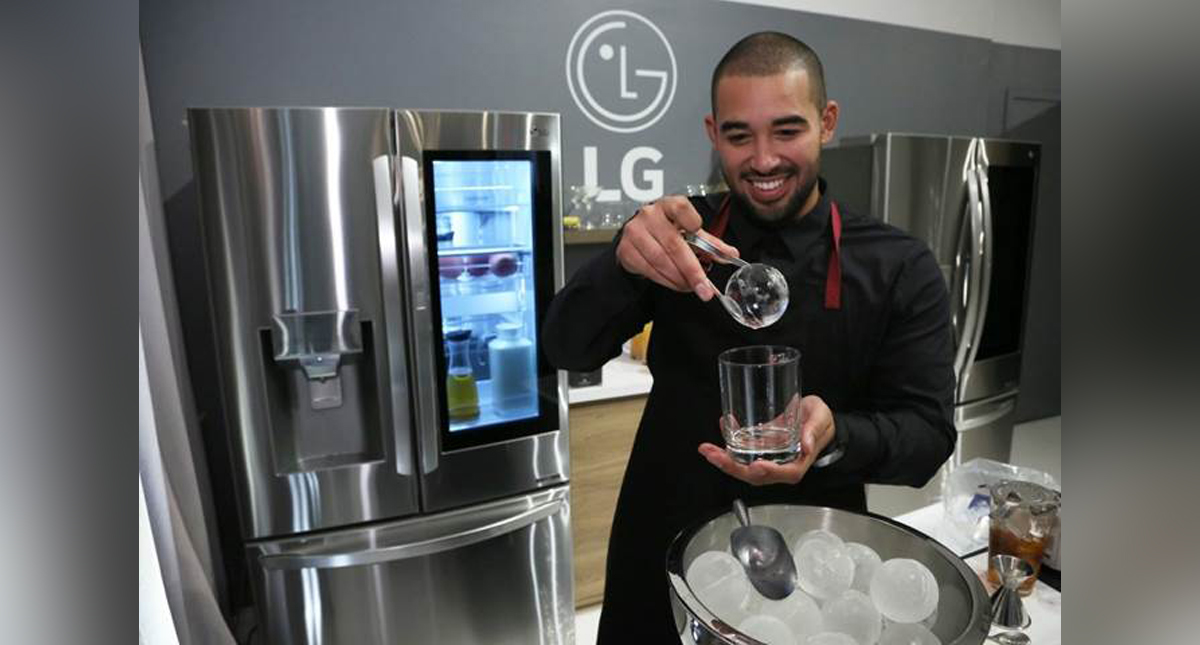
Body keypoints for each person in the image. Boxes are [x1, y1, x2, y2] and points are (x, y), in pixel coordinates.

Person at [542, 32, 956, 642]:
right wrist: (621, 264)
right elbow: (564, 348)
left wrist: (836, 432)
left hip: (820, 563)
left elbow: (928, 434)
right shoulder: (680, 236)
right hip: (662, 543)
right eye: (740, 135)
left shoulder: (897, 266)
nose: (763, 160)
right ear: (714, 133)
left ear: (827, 122)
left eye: (786, 130)